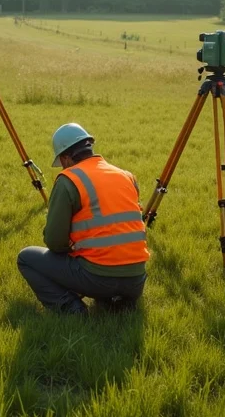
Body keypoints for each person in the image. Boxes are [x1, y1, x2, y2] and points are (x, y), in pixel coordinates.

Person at [16, 123, 149, 315]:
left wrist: (71, 250)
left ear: (66, 158)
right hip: (136, 280)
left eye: (61, 162)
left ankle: (71, 308)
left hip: (98, 279)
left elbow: (54, 242)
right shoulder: (126, 176)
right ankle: (121, 303)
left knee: (26, 258)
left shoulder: (69, 179)